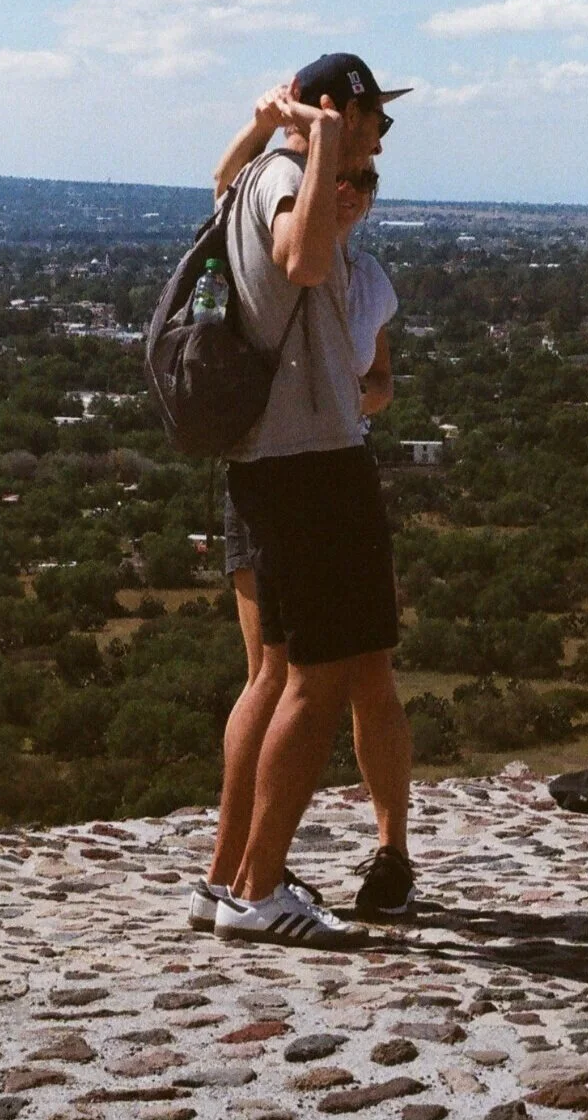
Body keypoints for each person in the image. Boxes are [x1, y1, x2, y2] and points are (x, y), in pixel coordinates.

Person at [201, 53, 411, 948]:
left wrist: (268, 129)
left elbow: (219, 185)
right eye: (369, 118)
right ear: (334, 111)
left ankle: (227, 875)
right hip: (314, 460)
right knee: (321, 679)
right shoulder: (293, 177)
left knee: (278, 670)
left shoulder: (254, 176)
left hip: (267, 461)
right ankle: (259, 888)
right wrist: (318, 150)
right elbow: (302, 260)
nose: (377, 137)